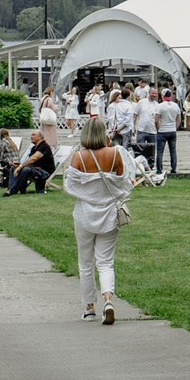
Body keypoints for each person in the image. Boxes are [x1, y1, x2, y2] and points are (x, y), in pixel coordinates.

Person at [63, 117, 134, 324]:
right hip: (110, 215)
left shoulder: (79, 157)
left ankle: (89, 307)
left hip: (85, 214)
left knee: (85, 262)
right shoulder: (115, 154)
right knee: (105, 262)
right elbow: (124, 183)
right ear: (104, 133)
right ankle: (108, 300)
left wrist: (89, 190)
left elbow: (70, 185)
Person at [152, 86, 180, 177]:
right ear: (171, 96)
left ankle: (159, 169)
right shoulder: (175, 106)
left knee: (160, 151)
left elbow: (156, 120)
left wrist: (157, 128)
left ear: (163, 96)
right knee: (173, 150)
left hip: (162, 130)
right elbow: (179, 119)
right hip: (172, 130)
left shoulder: (160, 106)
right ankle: (174, 169)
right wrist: (175, 127)